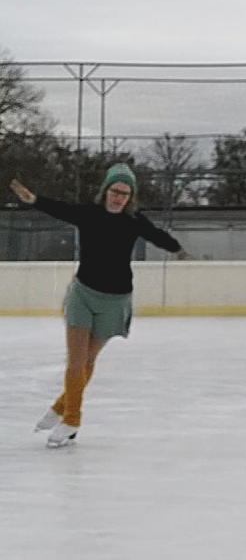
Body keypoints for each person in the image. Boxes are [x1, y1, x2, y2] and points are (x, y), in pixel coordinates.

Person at [9, 164, 193, 447]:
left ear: (130, 197)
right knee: (75, 362)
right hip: (82, 294)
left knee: (88, 361)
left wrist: (179, 250)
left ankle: (60, 407)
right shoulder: (89, 214)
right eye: (115, 190)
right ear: (106, 190)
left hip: (115, 301)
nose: (119, 197)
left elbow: (157, 236)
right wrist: (33, 200)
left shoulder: (134, 221)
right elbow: (61, 209)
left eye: (125, 193)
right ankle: (72, 419)